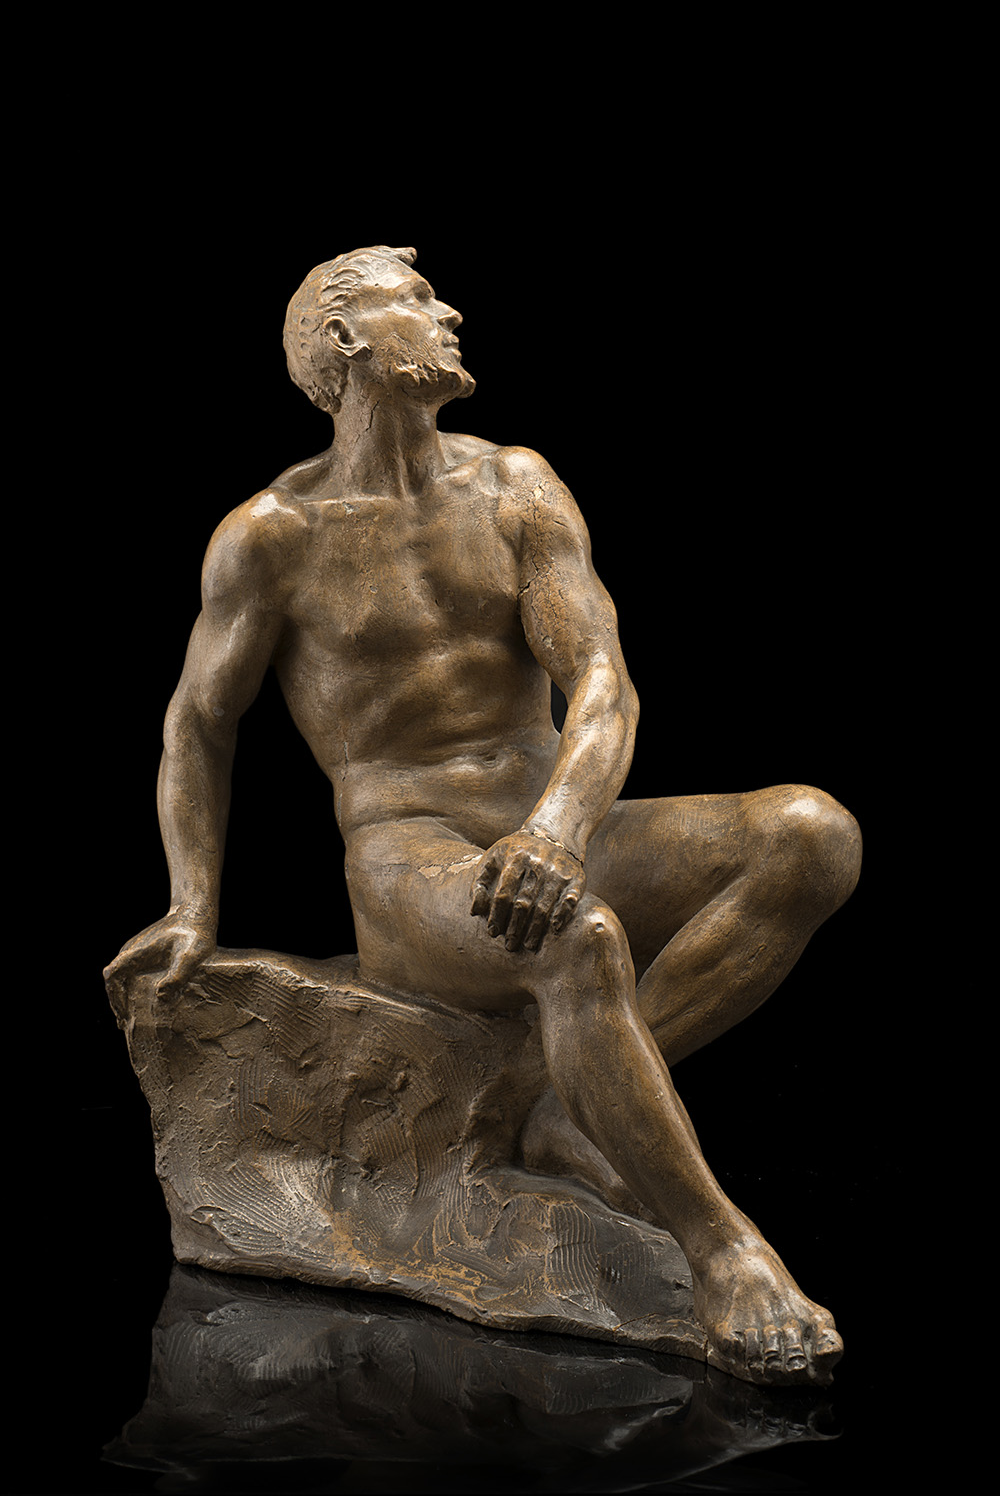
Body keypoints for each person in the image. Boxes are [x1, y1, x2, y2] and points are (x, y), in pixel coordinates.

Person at [106, 246, 862, 1384]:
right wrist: (190, 905)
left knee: (811, 831)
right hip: (409, 859)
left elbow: (602, 680)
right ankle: (724, 1250)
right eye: (413, 299)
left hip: (545, 820)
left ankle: (565, 1106)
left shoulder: (515, 484)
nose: (448, 311)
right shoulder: (271, 533)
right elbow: (197, 725)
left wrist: (558, 827)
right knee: (576, 937)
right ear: (347, 341)